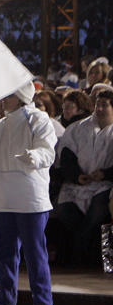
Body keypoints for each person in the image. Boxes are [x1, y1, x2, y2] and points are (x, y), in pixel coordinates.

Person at [0, 81, 57, 305]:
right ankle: (6, 303)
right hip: (3, 199)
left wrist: (35, 156)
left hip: (31, 198)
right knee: (6, 254)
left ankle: (44, 304)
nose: (4, 99)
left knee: (34, 253)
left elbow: (48, 151)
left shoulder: (39, 120)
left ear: (20, 96)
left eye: (8, 95)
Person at [52, 88, 113, 266]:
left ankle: (81, 256)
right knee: (65, 212)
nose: (100, 109)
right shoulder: (78, 128)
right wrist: (77, 176)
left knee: (96, 215)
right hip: (77, 184)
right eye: (98, 105)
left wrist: (105, 173)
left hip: (104, 185)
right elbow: (66, 157)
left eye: (104, 105)